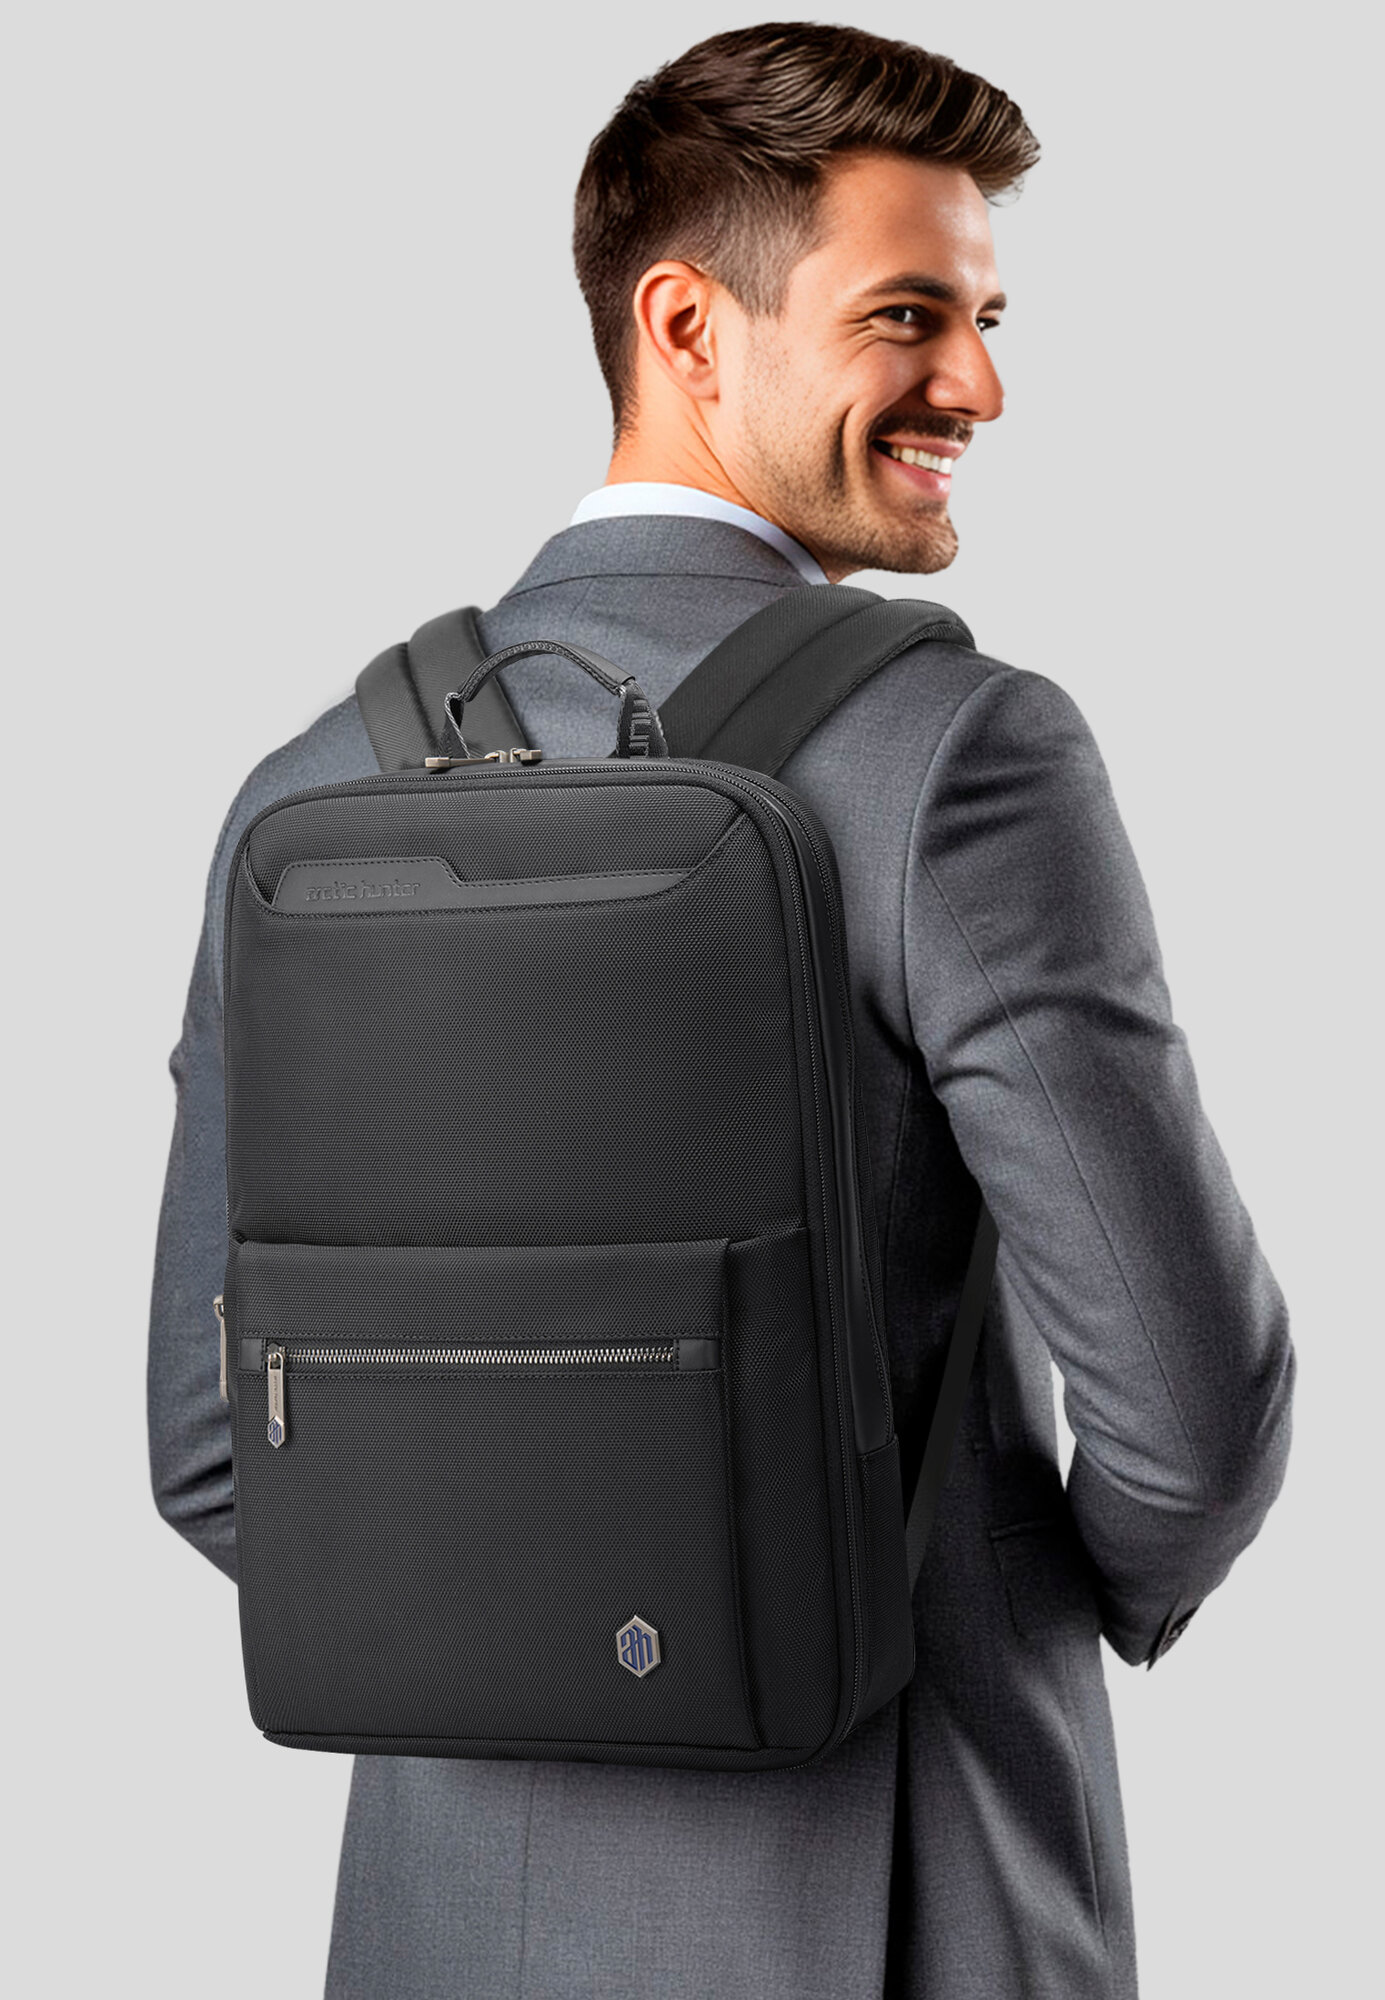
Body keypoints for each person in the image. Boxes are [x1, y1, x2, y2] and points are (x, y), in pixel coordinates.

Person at [148, 23, 1295, 1999]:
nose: (981, 383)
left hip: (440, 1931)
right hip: (896, 1886)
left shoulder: (308, 789)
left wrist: (526, 1613)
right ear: (685, 323)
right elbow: (1190, 1421)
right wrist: (994, 1605)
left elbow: (209, 1445)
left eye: (988, 319)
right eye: (909, 315)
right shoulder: (956, 755)